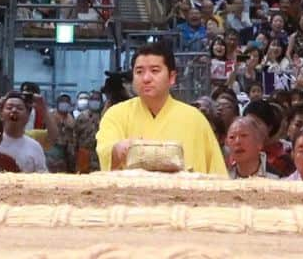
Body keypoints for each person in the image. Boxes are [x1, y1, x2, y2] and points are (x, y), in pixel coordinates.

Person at [96, 42, 227, 175]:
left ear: (172, 77)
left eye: (155, 71)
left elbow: (217, 175)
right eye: (139, 72)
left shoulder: (196, 120)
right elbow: (105, 150)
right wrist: (117, 150)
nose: (146, 78)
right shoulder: (115, 115)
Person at [0, 93, 47, 172]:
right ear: (1, 115)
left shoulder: (35, 147)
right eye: (9, 107)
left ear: (27, 116)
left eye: (19, 108)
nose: (14, 110)